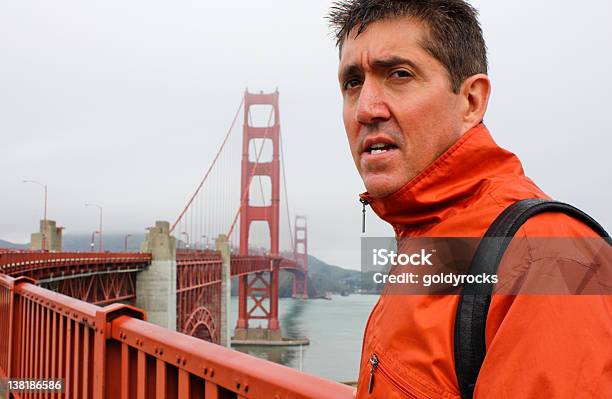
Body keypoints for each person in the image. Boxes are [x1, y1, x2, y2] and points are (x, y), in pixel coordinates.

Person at [327, 0, 612, 398]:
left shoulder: (549, 259)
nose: (365, 109)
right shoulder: (425, 235)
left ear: (471, 101)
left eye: (399, 74)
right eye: (352, 83)